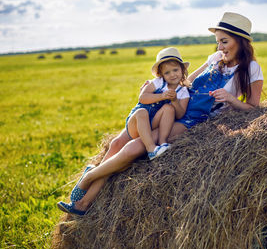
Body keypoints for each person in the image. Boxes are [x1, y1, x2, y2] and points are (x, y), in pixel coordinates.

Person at [58, 12, 263, 216]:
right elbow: (185, 81)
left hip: (191, 119)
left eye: (224, 41)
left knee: (134, 148)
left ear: (240, 40)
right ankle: (83, 203)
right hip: (171, 106)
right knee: (116, 144)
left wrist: (231, 99)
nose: (220, 47)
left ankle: (88, 177)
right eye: (218, 42)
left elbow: (255, 107)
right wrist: (153, 88)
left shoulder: (251, 68)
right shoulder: (215, 58)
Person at [57, 47, 190, 215]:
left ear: (182, 70)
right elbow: (143, 98)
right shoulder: (156, 83)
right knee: (129, 129)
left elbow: (179, 113)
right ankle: (150, 150)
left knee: (112, 162)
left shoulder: (183, 91)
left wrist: (175, 100)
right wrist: (162, 96)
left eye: (175, 70)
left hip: (151, 126)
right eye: (167, 72)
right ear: (161, 75)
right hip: (138, 123)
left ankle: (82, 202)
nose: (172, 75)